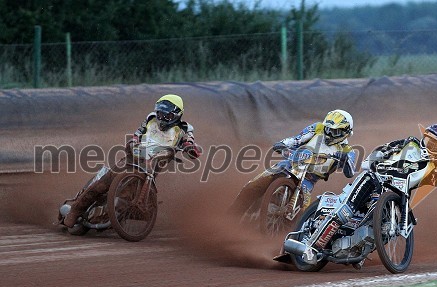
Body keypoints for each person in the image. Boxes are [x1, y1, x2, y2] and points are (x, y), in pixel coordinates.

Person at [299, 123, 437, 260]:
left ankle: (356, 250)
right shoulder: (410, 143)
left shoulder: (435, 166)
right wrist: (377, 159)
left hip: (399, 192)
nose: (431, 147)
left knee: (384, 229)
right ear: (424, 137)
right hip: (374, 178)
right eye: (430, 142)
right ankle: (312, 246)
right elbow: (385, 148)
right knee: (346, 212)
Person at [62, 94, 202, 228]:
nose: (162, 117)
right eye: (160, 113)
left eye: (166, 114)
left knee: (127, 199)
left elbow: (189, 141)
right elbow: (138, 133)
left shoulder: (184, 129)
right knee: (103, 183)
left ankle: (107, 218)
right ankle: (75, 210)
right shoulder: (151, 119)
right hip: (133, 158)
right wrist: (133, 142)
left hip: (152, 166)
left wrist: (190, 148)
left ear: (177, 115)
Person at [229, 109, 357, 215]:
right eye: (328, 129)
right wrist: (283, 144)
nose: (330, 133)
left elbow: (350, 172)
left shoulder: (347, 150)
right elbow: (297, 139)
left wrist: (345, 159)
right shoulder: (318, 128)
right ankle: (232, 215)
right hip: (289, 165)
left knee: (302, 213)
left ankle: (283, 237)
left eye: (335, 131)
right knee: (254, 184)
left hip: (309, 179)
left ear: (346, 132)